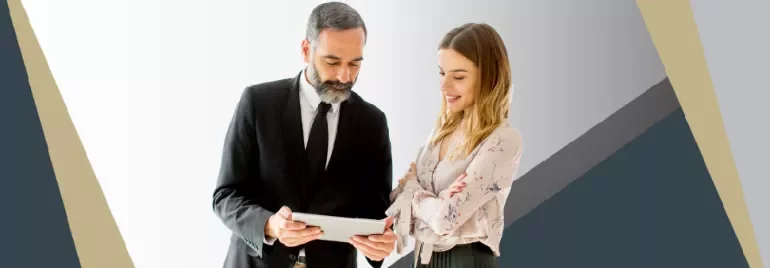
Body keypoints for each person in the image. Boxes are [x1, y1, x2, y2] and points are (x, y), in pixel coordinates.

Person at [212, 2, 396, 268]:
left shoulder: (373, 123)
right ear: (306, 50)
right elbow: (226, 195)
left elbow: (375, 213)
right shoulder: (258, 103)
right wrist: (269, 224)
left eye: (355, 64)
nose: (345, 76)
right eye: (332, 61)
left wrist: (381, 244)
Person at [386, 23, 524, 268]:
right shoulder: (440, 132)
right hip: (422, 257)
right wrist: (430, 199)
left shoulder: (503, 139)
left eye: (458, 77)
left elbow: (444, 219)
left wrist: (416, 195)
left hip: (466, 259)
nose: (444, 86)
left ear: (489, 77)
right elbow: (397, 199)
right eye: (442, 73)